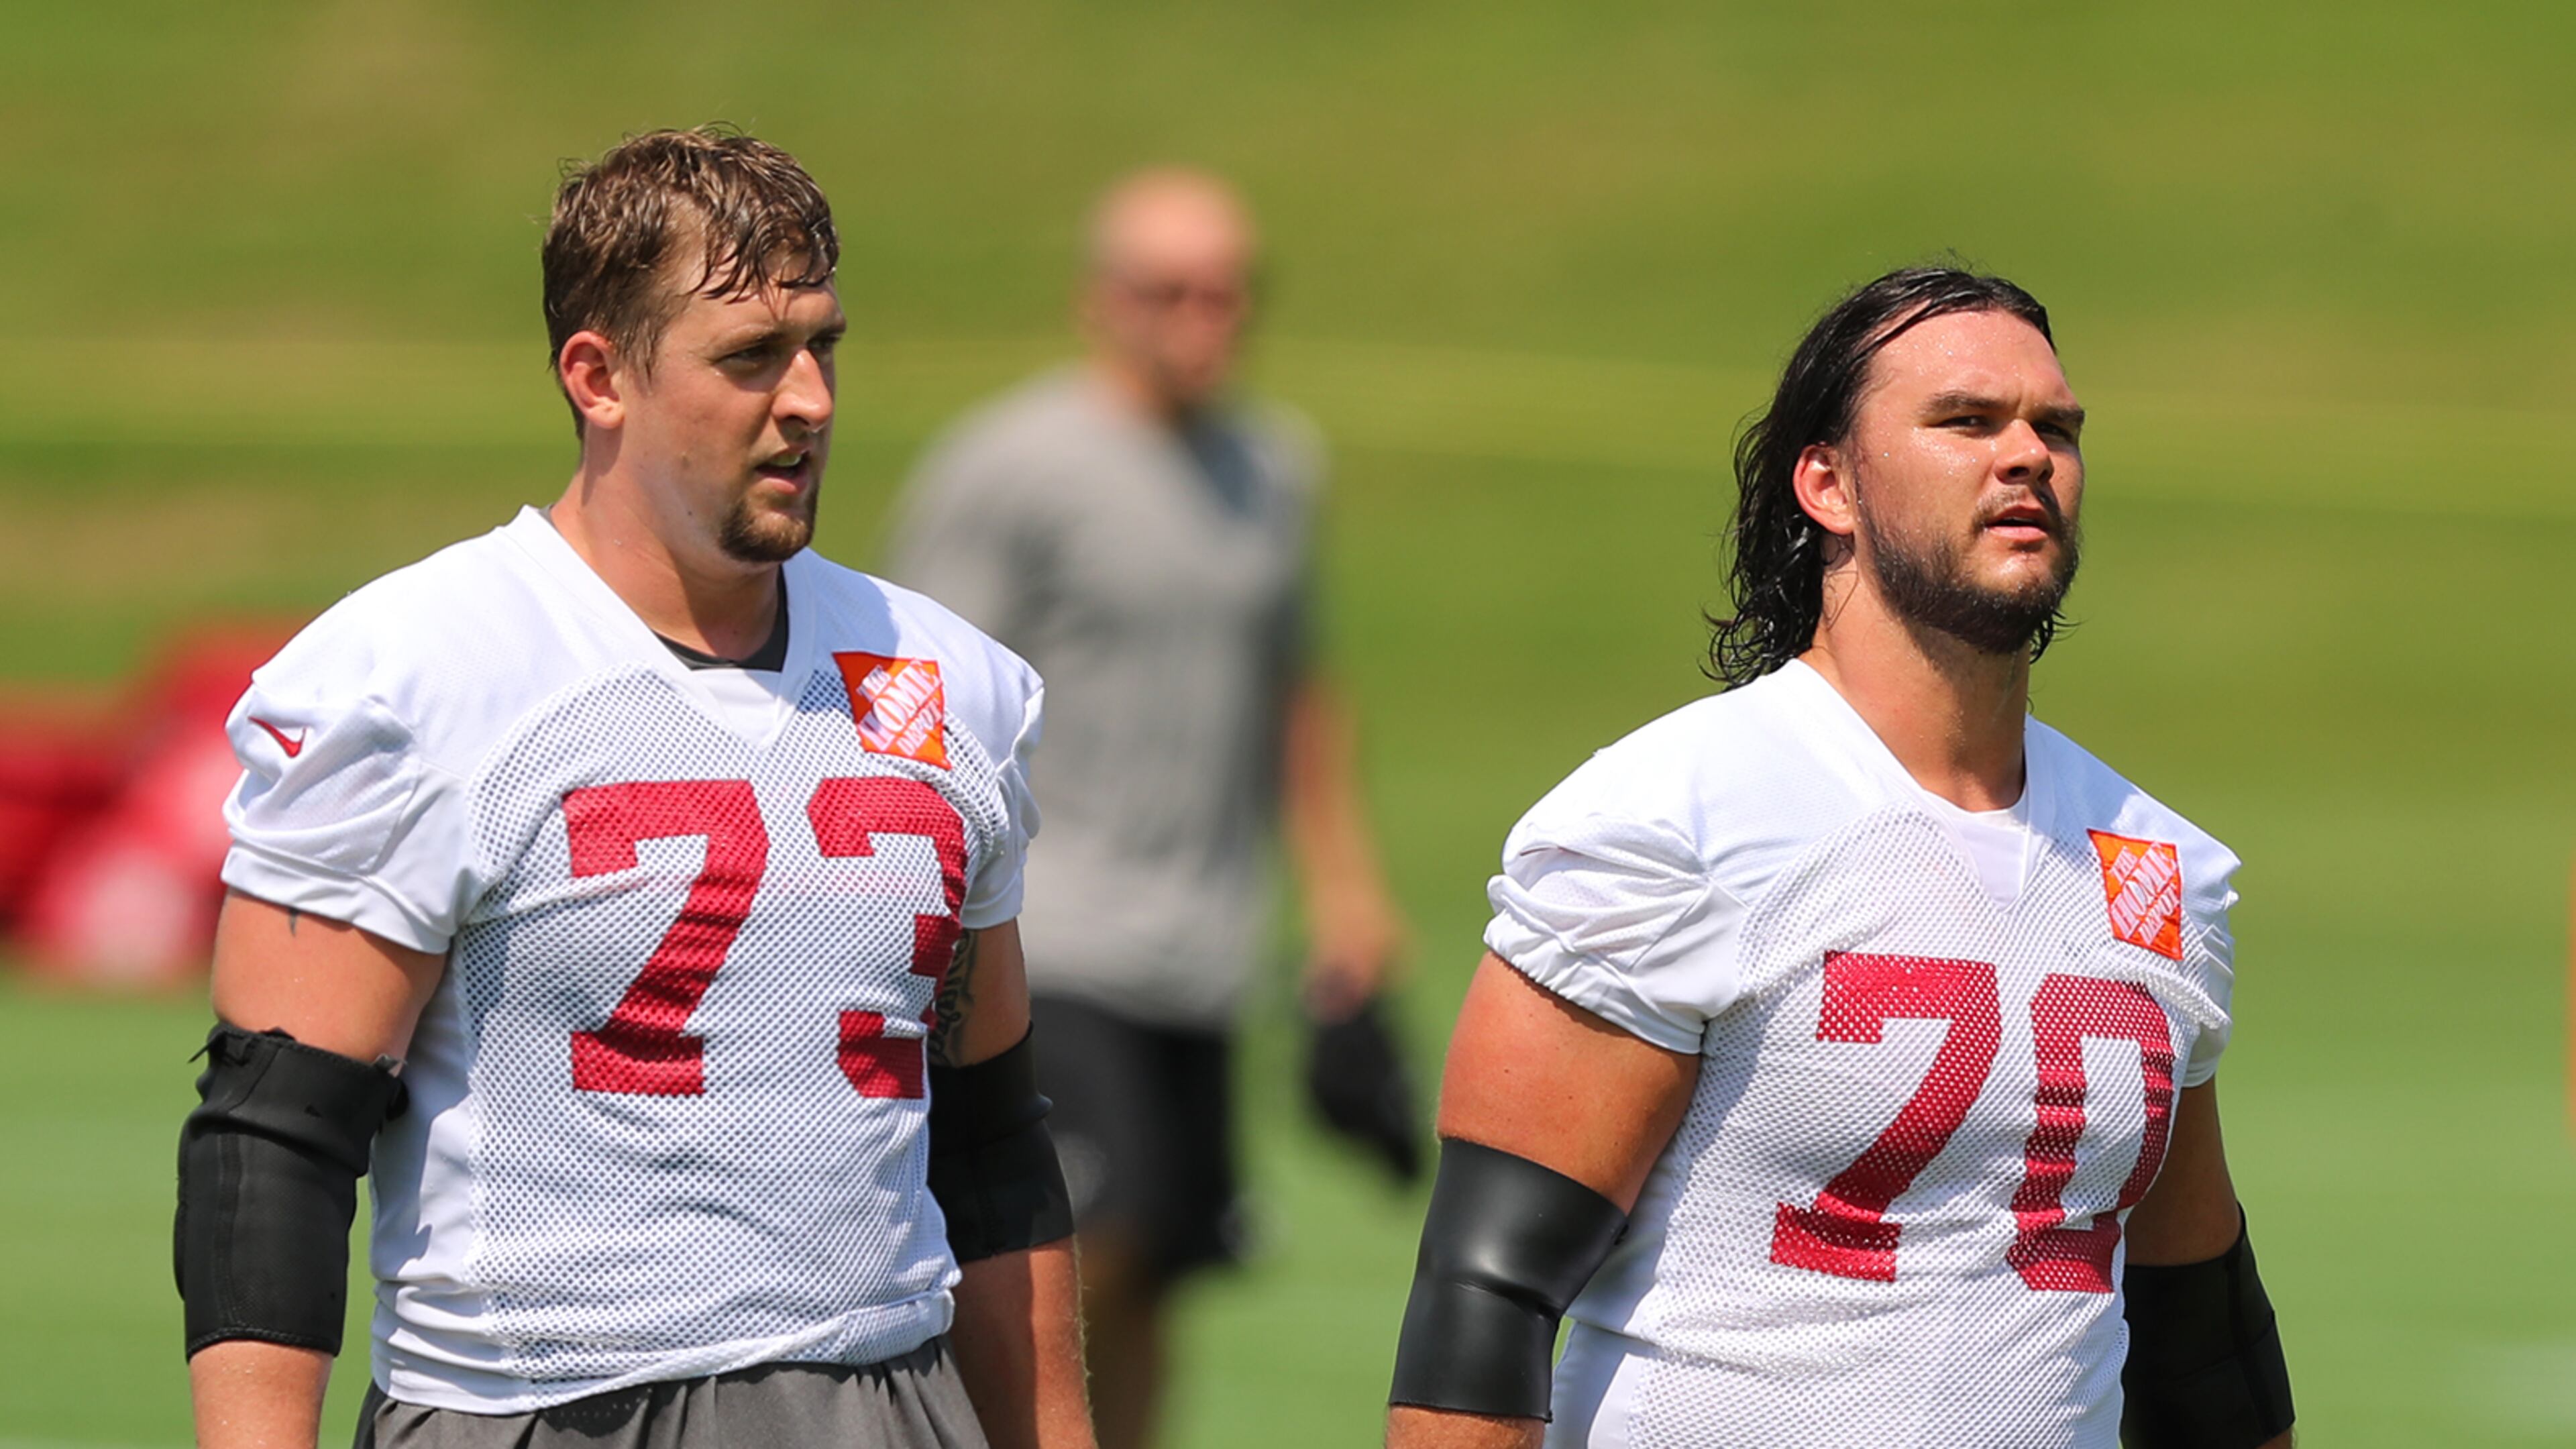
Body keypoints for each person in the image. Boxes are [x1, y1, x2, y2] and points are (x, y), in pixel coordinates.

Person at [174, 127, 1094, 1449]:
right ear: (598, 377)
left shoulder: (948, 682)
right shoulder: (420, 675)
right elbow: (274, 1146)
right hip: (544, 1405)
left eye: (822, 345)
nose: (811, 401)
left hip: (893, 1394)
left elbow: (995, 1142)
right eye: (748, 359)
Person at [1385, 268, 2295, 1449]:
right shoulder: (1676, 819)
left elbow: (2200, 1333)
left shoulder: (2156, 864)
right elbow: (1486, 1302)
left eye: (2055, 429)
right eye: (1967, 422)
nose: (2028, 456)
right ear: (1830, 484)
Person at [886, 168, 1411, 1449]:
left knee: (1160, 1273)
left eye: (1228, 293)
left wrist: (1346, 895)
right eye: (1167, 292)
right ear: (1098, 301)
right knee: (1070, 1247)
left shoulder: (1271, 468)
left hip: (1201, 950)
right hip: (1049, 933)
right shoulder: (1011, 467)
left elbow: (1296, 689)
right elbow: (904, 691)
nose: (1201, 319)